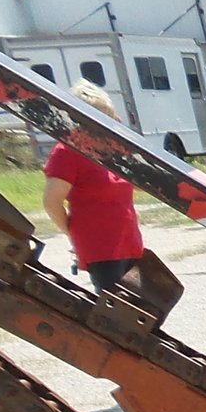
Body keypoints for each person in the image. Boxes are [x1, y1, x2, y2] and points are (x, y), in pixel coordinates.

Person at [41, 81, 144, 294]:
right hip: (100, 246)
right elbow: (52, 202)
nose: (111, 121)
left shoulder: (112, 149)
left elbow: (140, 183)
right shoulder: (67, 152)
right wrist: (72, 232)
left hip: (128, 241)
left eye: (109, 115)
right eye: (103, 117)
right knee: (117, 306)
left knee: (143, 304)